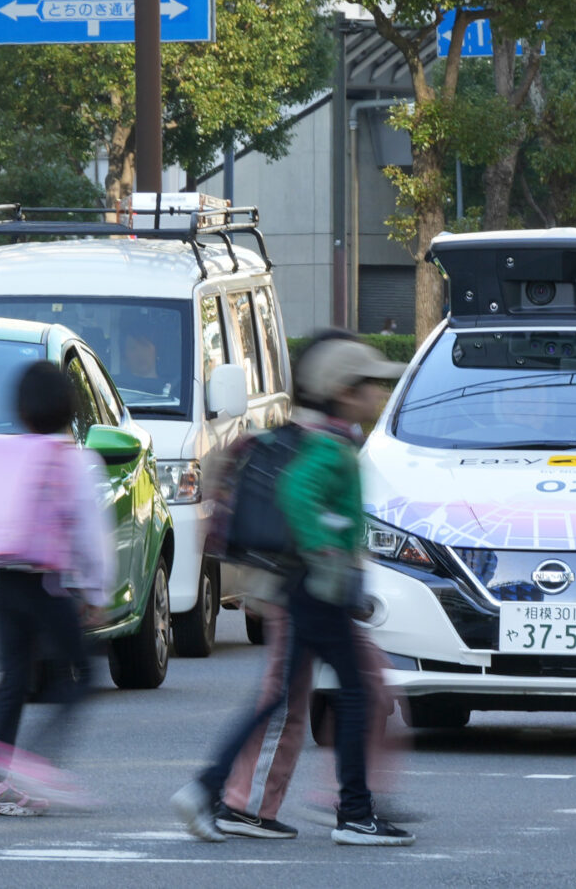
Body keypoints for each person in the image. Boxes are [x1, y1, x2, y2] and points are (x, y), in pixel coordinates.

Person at [173, 338, 413, 846]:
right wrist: (326, 557)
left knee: (292, 696)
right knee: (350, 692)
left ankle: (209, 787)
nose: (377, 394)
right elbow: (298, 495)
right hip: (316, 588)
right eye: (370, 385)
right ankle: (353, 815)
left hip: (302, 586)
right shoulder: (330, 448)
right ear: (345, 392)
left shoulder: (327, 439)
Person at [0, 361, 115, 816]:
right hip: (47, 585)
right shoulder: (77, 461)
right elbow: (89, 534)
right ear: (70, 407)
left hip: (4, 581)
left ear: (22, 410)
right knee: (84, 675)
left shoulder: (8, 455)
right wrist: (96, 593)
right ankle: (35, 760)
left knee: (14, 679)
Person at [115, 322, 170, 395]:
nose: (139, 353)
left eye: (144, 345)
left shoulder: (173, 389)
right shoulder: (115, 388)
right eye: (133, 348)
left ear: (156, 350)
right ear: (124, 357)